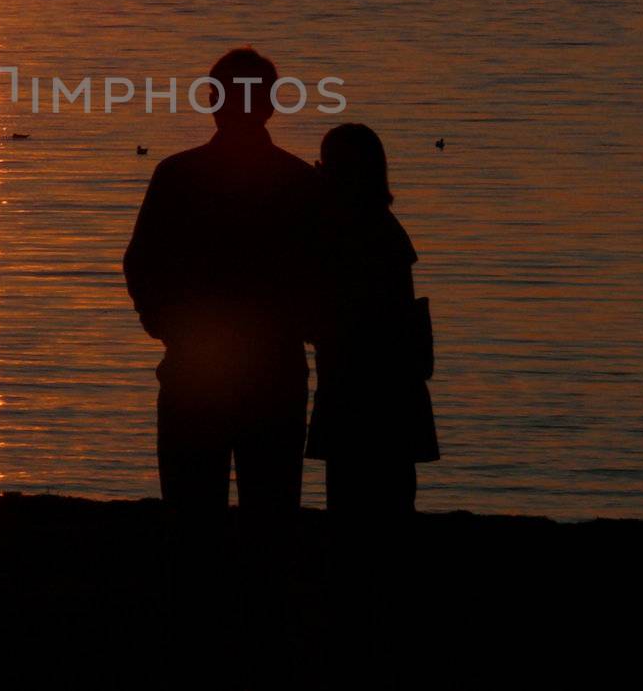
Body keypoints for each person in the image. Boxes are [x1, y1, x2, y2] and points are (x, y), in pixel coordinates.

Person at [123, 47, 324, 520]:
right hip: (273, 372)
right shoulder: (299, 182)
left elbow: (141, 264)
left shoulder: (177, 175)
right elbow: (321, 274)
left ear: (213, 100)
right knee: (271, 512)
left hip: (196, 368)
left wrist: (166, 327)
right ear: (272, 104)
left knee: (191, 514)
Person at [306, 122, 438, 517]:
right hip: (386, 397)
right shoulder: (380, 229)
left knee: (355, 503)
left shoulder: (358, 234)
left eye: (328, 165)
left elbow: (341, 316)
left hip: (363, 396)